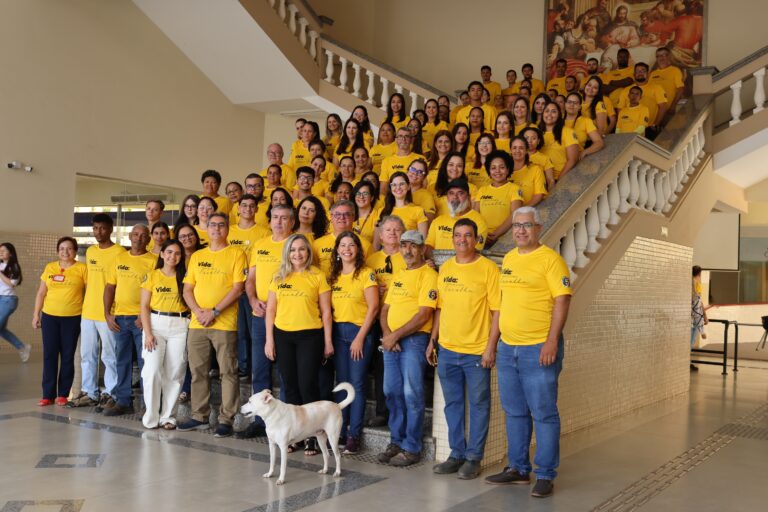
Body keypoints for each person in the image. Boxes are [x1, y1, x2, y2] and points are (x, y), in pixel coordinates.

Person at [485, 206, 572, 499]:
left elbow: (562, 302)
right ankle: (518, 469)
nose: (520, 230)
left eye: (527, 225)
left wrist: (551, 341)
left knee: (544, 414)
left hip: (539, 349)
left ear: (538, 227)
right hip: (509, 349)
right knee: (514, 412)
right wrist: (494, 343)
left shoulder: (551, 260)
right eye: (516, 225)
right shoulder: (508, 259)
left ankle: (545, 473)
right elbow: (502, 305)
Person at [430, 218, 500, 480]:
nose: (462, 240)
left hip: (476, 351)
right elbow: (440, 309)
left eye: (467, 235)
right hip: (447, 349)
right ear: (453, 239)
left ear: (476, 239)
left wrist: (490, 348)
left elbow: (497, 312)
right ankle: (456, 453)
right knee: (453, 405)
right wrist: (433, 340)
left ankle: (473, 457)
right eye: (458, 235)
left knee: (480, 404)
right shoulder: (446, 268)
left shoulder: (488, 269)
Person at [178, 212, 247, 438]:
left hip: (224, 322)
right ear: (205, 228)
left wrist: (215, 311)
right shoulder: (197, 256)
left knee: (228, 372)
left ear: (227, 229)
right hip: (198, 323)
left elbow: (238, 288)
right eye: (212, 225)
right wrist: (198, 311)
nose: (216, 228)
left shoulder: (237, 253)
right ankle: (199, 416)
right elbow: (187, 289)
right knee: (197, 371)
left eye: (221, 225)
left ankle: (226, 419)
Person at [265, 234, 333, 456]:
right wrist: (269, 339)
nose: (297, 254)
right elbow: (271, 312)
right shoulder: (278, 277)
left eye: (302, 249)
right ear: (287, 252)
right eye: (293, 250)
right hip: (283, 336)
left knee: (307, 385)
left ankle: (312, 437)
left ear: (308, 252)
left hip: (310, 336)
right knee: (290, 386)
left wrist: (328, 341)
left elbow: (325, 312)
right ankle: (293, 436)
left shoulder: (318, 276)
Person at [377, 230, 437, 467]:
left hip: (414, 340)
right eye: (404, 246)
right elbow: (384, 310)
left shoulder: (428, 275)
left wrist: (396, 335)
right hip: (392, 341)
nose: (408, 250)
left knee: (412, 393)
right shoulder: (399, 274)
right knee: (391, 391)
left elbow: (424, 314)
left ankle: (412, 447)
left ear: (422, 249)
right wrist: (387, 335)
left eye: (413, 246)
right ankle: (396, 440)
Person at [239, 204, 295, 439]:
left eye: (284, 218)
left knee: (285, 371)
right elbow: (250, 279)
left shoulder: (296, 244)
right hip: (260, 314)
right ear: (269, 220)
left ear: (291, 222)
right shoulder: (260, 244)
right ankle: (261, 421)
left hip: (286, 316)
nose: (279, 222)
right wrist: (252, 300)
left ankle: (286, 423)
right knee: (259, 368)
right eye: (275, 217)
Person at [68, 213, 126, 409]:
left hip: (108, 312)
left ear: (110, 229)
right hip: (88, 312)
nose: (98, 232)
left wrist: (112, 311)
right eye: (95, 228)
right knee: (87, 354)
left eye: (102, 228)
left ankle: (110, 392)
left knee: (109, 355)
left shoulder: (120, 252)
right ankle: (90, 392)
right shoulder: (91, 252)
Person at [329, 232, 379, 454]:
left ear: (358, 249)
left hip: (360, 333)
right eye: (342, 245)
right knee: (342, 382)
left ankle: (353, 435)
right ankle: (340, 429)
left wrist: (360, 337)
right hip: (339, 333)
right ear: (337, 250)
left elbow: (374, 308)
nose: (347, 248)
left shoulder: (366, 274)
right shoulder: (333, 276)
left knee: (357, 384)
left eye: (351, 245)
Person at [103, 224, 156, 416]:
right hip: (120, 319)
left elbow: (155, 291)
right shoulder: (119, 259)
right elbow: (110, 287)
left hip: (140, 321)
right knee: (122, 361)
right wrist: (107, 314)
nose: (139, 238)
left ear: (149, 239)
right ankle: (123, 401)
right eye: (135, 234)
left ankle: (149, 404)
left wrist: (146, 316)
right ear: (129, 236)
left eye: (143, 235)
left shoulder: (153, 261)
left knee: (145, 362)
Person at [139, 239, 189, 429]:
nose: (172, 256)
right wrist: (148, 333)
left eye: (177, 253)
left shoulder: (185, 276)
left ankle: (168, 416)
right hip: (155, 324)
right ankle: (151, 417)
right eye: (169, 252)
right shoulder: (152, 276)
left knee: (174, 372)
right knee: (151, 372)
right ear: (162, 254)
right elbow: (143, 306)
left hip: (179, 325)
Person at [32, 237, 87, 406]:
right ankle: (47, 395)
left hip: (73, 317)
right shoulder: (50, 267)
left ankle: (63, 393)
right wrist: (36, 315)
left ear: (75, 251)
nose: (65, 252)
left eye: (69, 248)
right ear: (57, 251)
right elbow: (41, 293)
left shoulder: (82, 268)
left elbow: (89, 293)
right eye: (62, 249)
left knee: (68, 355)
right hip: (50, 317)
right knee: (49, 355)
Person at [365, 215, 406, 427]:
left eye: (397, 229)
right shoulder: (371, 261)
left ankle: (398, 412)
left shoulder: (409, 258)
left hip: (399, 321)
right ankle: (381, 410)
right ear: (380, 236)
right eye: (388, 230)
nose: (392, 233)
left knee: (397, 369)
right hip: (374, 319)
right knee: (379, 367)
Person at [227, 194, 271, 381]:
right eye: (243, 205)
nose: (247, 209)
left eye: (251, 206)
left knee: (252, 331)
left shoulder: (264, 233)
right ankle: (243, 367)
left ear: (256, 209)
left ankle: (255, 367)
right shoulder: (229, 231)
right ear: (237, 208)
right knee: (237, 331)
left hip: (252, 288)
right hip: (231, 288)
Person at [426, 178, 488, 256]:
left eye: (460, 193)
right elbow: (429, 246)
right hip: (437, 266)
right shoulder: (438, 221)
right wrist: (431, 260)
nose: (455, 197)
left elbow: (474, 252)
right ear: (447, 197)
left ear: (468, 197)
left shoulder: (479, 222)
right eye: (451, 193)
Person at [475, 151, 524, 245]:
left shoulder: (514, 189)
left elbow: (515, 214)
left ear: (508, 169)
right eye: (493, 168)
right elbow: (476, 215)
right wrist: (482, 234)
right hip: (481, 238)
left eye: (502, 167)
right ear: (489, 170)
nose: (497, 171)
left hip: (505, 239)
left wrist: (496, 234)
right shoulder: (482, 190)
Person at [314, 200, 372, 276]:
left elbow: (370, 273)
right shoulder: (317, 244)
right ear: (331, 217)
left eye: (347, 214)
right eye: (337, 214)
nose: (342, 217)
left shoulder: (365, 244)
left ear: (353, 217)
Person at [617, 63, 669, 138]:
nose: (640, 73)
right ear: (634, 74)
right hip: (628, 132)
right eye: (638, 71)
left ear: (648, 74)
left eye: (643, 71)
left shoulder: (657, 88)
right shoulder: (625, 91)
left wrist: (655, 124)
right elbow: (620, 110)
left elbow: (663, 107)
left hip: (650, 129)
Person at [377, 171, 429, 246]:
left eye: (401, 184)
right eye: (394, 185)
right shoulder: (382, 211)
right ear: (391, 188)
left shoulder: (418, 210)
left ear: (408, 186)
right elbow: (377, 243)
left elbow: (422, 241)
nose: (398, 188)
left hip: (408, 254)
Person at [0, 242, 30, 361]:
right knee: (1, 330)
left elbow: (12, 284)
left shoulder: (14, 266)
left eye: (4, 250)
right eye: (0, 250)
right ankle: (22, 347)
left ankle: (22, 347)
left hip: (8, 300)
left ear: (11, 254)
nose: (1, 252)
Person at [540, 103, 579, 181]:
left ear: (559, 115)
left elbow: (572, 160)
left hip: (561, 178)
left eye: (553, 111)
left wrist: (559, 180)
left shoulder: (568, 132)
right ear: (542, 114)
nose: (549, 114)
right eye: (547, 111)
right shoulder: (537, 133)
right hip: (540, 180)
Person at [434, 152, 478, 217]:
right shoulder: (433, 187)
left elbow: (474, 214)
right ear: (445, 166)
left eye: (459, 166)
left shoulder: (472, 188)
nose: (455, 168)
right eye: (451, 165)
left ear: (463, 169)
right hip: (439, 225)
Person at [380, 127, 423, 191]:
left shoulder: (420, 159)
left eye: (407, 136)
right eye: (400, 136)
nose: (403, 139)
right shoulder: (386, 161)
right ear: (396, 140)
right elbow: (383, 188)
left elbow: (424, 183)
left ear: (411, 140)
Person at [649, 47, 684, 114]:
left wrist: (673, 106)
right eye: (658, 56)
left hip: (667, 110)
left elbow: (680, 89)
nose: (661, 58)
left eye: (664, 55)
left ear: (669, 56)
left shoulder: (675, 70)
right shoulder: (652, 74)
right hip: (653, 111)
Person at [521, 127, 555, 192]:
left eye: (533, 138)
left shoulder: (545, 158)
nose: (529, 141)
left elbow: (551, 181)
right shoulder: (516, 156)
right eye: (526, 138)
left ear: (538, 141)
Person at [690, 265, 707, 372]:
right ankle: (688, 362)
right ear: (699, 273)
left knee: (690, 341)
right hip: (695, 317)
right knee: (690, 341)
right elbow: (699, 302)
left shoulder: (690, 283)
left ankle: (688, 361)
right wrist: (704, 315)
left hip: (690, 316)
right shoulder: (697, 284)